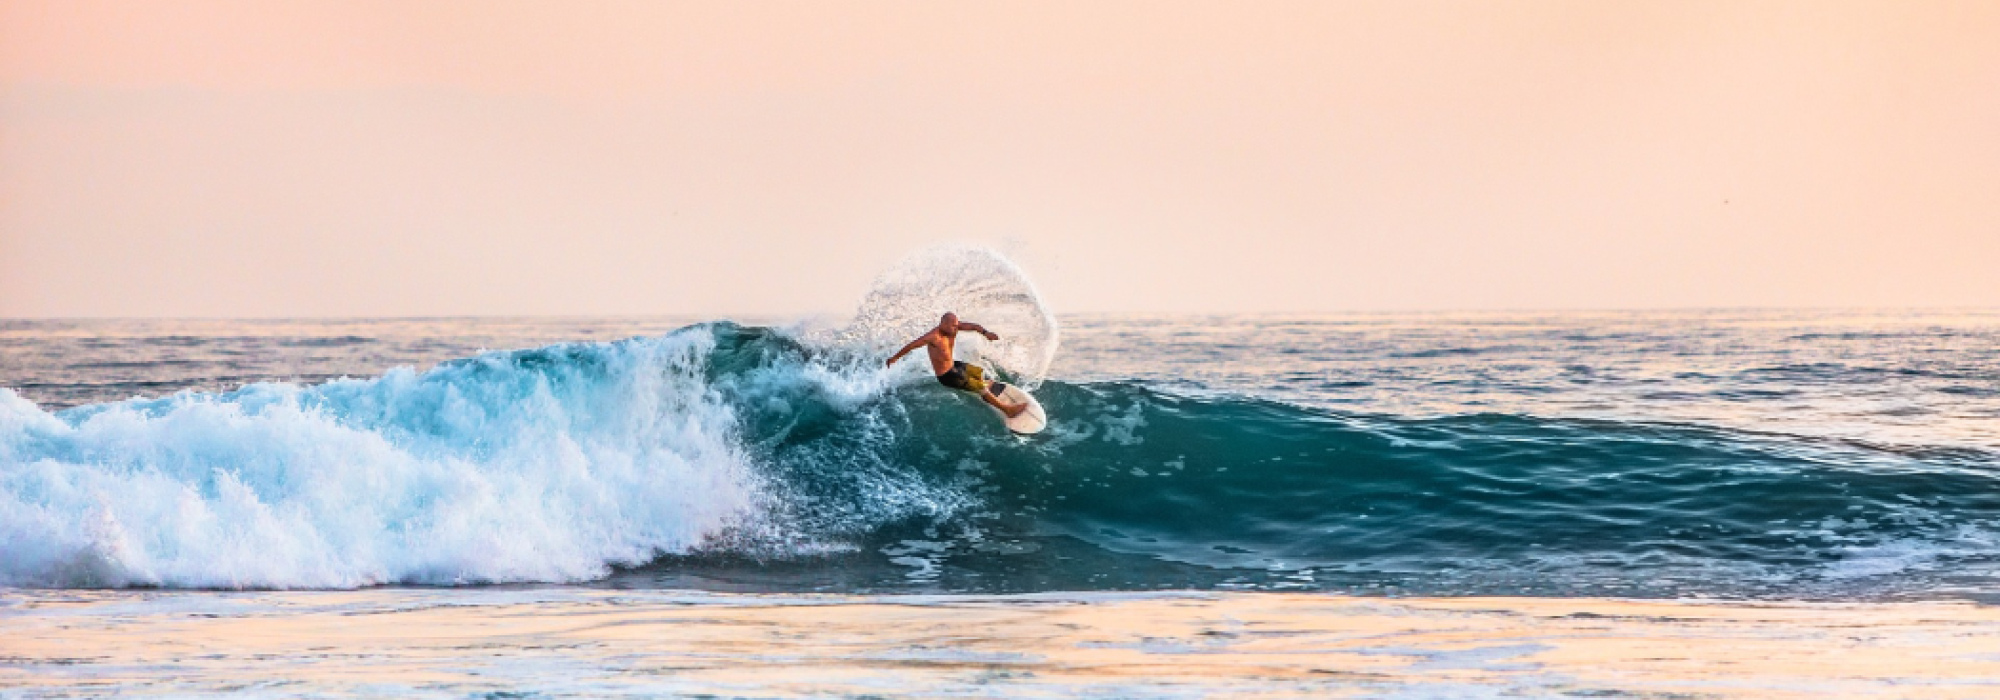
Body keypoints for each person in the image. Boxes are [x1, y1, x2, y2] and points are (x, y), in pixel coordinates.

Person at [886, 312, 1029, 418]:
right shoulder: (933, 337)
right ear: (944, 324)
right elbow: (911, 346)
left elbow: (973, 326)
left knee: (978, 372)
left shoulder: (953, 328)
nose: (956, 328)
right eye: (953, 326)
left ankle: (984, 387)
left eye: (956, 325)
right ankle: (1007, 410)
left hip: (954, 365)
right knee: (980, 387)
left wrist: (986, 333)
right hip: (947, 376)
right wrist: (894, 358)